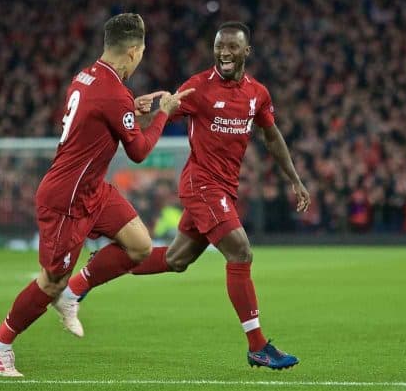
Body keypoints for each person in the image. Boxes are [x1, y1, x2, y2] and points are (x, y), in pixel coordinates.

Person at [57, 21, 311, 370]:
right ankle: (258, 345)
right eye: (219, 46)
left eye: (232, 47)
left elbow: (271, 135)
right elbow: (165, 108)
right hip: (201, 185)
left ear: (246, 52)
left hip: (224, 188)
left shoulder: (258, 94)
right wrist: (140, 109)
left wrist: (295, 179)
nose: (224, 52)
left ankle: (91, 274)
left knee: (177, 260)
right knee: (241, 251)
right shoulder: (199, 87)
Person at [0, 13, 193, 377]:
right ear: (133, 51)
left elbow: (98, 116)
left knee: (139, 245)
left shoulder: (87, 76)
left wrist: (130, 107)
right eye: (142, 52)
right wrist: (162, 115)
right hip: (66, 200)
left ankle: (74, 291)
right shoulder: (113, 92)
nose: (141, 58)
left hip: (92, 188)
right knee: (50, 279)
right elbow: (139, 151)